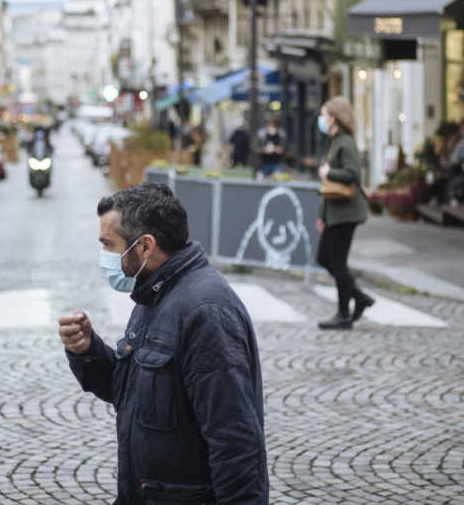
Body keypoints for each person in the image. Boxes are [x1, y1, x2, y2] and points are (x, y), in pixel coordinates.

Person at [58, 183, 269, 505]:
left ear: (145, 246)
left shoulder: (204, 312)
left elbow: (234, 438)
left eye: (108, 245)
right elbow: (131, 389)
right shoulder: (155, 292)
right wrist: (87, 351)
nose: (104, 257)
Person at [316, 96, 374, 330]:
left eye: (324, 114)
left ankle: (344, 313)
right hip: (335, 212)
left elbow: (352, 174)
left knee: (337, 262)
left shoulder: (346, 142)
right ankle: (359, 298)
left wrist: (329, 172)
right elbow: (327, 189)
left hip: (347, 212)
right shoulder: (334, 141)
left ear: (334, 118)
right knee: (324, 258)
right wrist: (322, 214)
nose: (321, 119)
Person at [450, 123, 464, 205]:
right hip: (458, 166)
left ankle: (457, 197)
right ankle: (456, 197)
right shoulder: (460, 143)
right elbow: (454, 158)